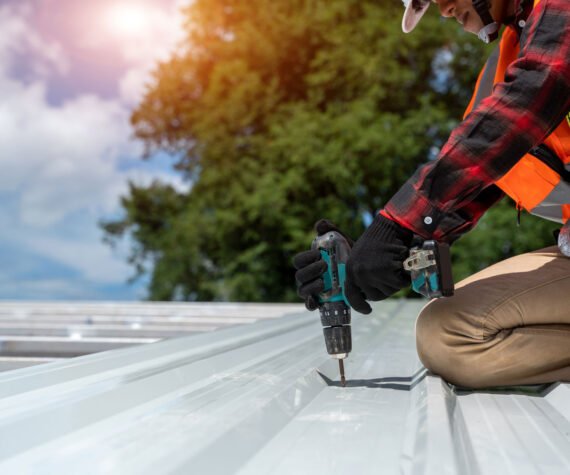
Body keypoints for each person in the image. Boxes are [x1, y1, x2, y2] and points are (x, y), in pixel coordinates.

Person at [294, 0, 570, 389]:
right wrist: (377, 254)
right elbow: (473, 173)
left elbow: (537, 89)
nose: (444, 10)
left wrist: (397, 223)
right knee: (446, 333)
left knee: (449, 334)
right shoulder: (506, 64)